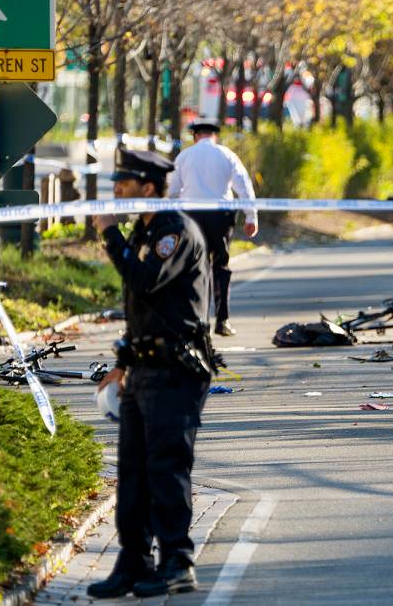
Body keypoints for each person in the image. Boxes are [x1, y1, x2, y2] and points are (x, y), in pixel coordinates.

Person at [88, 150, 213, 599]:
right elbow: (141, 309)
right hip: (143, 369)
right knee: (134, 473)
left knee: (166, 467)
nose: (115, 191)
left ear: (146, 187)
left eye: (122, 183)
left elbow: (144, 281)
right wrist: (122, 362)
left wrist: (110, 236)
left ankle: (177, 561)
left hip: (176, 369)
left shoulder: (173, 231)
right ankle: (133, 560)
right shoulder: (145, 231)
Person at [169, 119, 258, 337]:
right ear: (214, 135)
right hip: (220, 216)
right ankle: (223, 320)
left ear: (195, 136)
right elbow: (243, 186)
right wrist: (251, 216)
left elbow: (171, 190)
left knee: (194, 267)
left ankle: (197, 320)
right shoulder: (226, 155)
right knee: (221, 265)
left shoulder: (185, 156)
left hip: (191, 217)